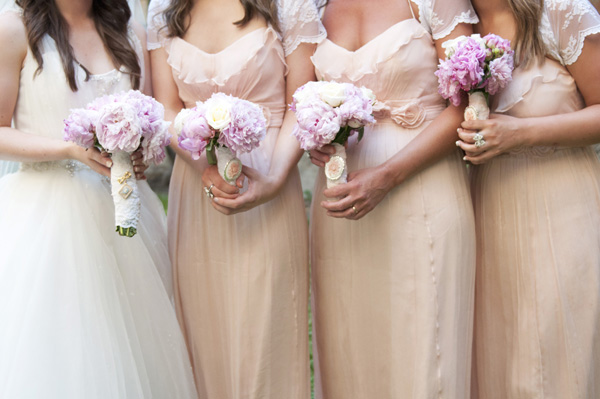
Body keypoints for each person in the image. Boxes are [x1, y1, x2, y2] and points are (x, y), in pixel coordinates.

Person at [0, 0, 197, 397]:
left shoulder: (128, 29)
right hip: (47, 220)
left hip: (126, 217)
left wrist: (138, 152)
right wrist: (70, 150)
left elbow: (149, 119)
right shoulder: (13, 29)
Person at [147, 0, 324, 397]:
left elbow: (302, 100)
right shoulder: (162, 8)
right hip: (196, 187)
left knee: (264, 332)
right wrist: (203, 167)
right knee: (203, 329)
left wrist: (275, 178)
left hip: (268, 182)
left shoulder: (289, 6)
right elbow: (168, 107)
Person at [455, 0, 600, 397]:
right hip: (487, 212)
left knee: (554, 362)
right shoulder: (454, 25)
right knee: (502, 363)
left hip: (561, 207)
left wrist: (522, 134)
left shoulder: (559, 11)